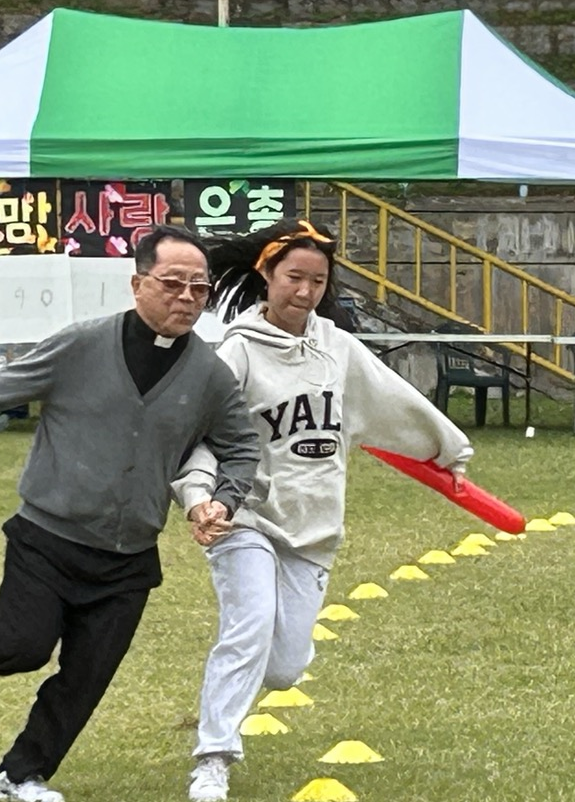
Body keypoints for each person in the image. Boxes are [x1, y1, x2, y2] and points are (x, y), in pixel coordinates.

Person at [0, 225, 261, 802]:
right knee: (23, 645)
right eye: (172, 283)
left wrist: (225, 496)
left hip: (129, 556)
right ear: (138, 284)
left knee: (86, 679)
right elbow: (7, 383)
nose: (187, 298)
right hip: (48, 535)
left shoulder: (210, 375)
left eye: (199, 288)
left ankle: (18, 776)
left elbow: (241, 444)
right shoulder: (82, 344)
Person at [171, 219, 473, 802]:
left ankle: (252, 675)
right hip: (244, 515)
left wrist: (448, 449)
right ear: (266, 274)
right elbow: (201, 435)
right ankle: (213, 758)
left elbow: (394, 401)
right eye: (294, 277)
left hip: (313, 528)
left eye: (317, 280)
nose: (305, 291)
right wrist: (199, 496)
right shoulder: (236, 352)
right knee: (248, 627)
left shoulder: (338, 349)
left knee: (284, 669)